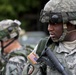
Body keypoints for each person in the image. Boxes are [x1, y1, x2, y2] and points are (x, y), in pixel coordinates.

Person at [22, 0, 76, 75]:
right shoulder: (43, 46)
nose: (49, 28)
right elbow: (28, 70)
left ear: (70, 23)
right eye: (48, 23)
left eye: (54, 23)